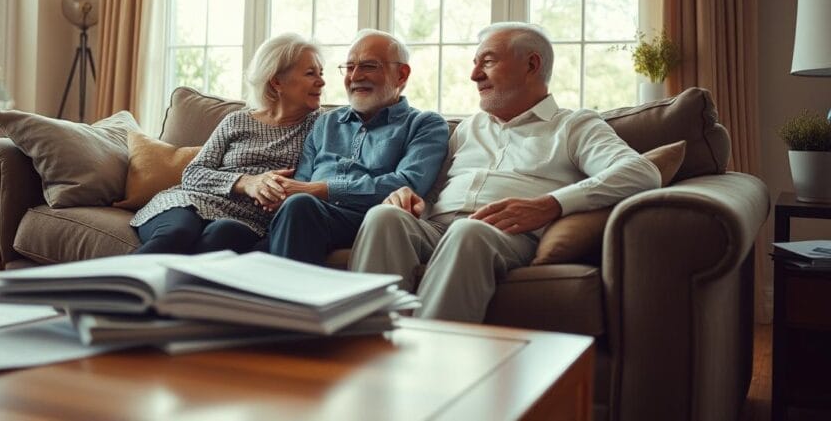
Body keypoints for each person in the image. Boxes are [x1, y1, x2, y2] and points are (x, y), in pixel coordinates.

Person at [349, 22, 662, 322]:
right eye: (475, 64)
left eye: (487, 62)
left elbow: (642, 173)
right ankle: (362, 348)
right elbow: (431, 194)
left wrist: (550, 204)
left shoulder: (574, 125)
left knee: (469, 232)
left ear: (531, 65)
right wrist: (409, 198)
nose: (474, 75)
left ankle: (429, 361)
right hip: (438, 229)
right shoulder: (468, 128)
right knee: (384, 216)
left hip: (507, 236)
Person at [253, 29, 449, 265]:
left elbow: (407, 183)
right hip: (307, 213)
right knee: (230, 233)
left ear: (401, 74)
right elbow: (301, 182)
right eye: (349, 67)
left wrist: (320, 190)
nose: (355, 76)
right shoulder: (325, 122)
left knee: (300, 205)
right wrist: (276, 192)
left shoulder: (425, 124)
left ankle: (283, 299)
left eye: (368, 66)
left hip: (372, 219)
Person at [130, 33, 325, 254]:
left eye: (321, 73)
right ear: (277, 81)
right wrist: (246, 182)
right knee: (177, 233)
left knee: (224, 234)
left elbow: (316, 182)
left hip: (248, 221)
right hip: (190, 202)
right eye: (311, 73)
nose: (322, 81)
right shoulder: (237, 120)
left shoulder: (320, 127)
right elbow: (192, 174)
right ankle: (110, 286)